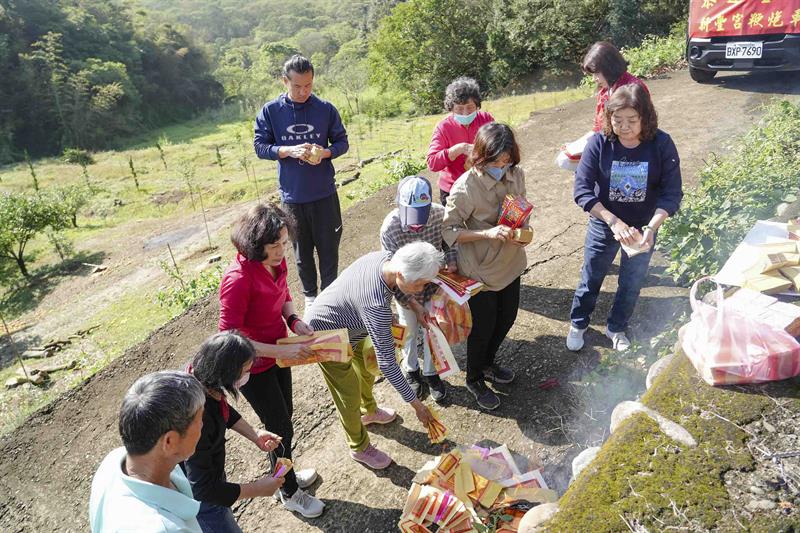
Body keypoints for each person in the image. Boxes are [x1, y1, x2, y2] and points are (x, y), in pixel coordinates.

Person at [218, 203, 324, 518]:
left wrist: (295, 321)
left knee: (284, 421)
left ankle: (285, 477)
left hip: (278, 353)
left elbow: (284, 297)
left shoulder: (276, 264)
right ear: (254, 246)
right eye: (273, 245)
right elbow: (230, 339)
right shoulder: (237, 279)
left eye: (283, 242)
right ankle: (288, 490)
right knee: (278, 427)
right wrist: (281, 351)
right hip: (251, 367)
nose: (282, 250)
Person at [567, 83, 682, 352]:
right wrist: (613, 221)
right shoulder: (599, 143)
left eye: (632, 120)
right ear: (608, 118)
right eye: (617, 120)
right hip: (605, 224)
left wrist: (652, 228)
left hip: (643, 228)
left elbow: (672, 193)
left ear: (646, 118)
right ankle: (579, 323)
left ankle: (616, 327)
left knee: (632, 282)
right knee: (592, 276)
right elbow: (582, 190)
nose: (624, 127)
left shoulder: (661, 144)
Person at [305, 242, 440, 469]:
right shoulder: (376, 306)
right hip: (324, 334)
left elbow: (397, 286)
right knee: (347, 395)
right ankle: (358, 446)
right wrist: (418, 406)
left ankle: (369, 411)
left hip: (354, 324)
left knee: (368, 368)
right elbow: (389, 365)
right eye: (420, 284)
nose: (421, 290)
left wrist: (415, 308)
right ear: (401, 274)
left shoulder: (386, 258)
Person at [442, 122, 530, 411]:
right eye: (495, 161)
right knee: (483, 326)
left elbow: (521, 207)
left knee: (507, 318)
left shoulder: (515, 175)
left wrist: (523, 230)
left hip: (510, 261)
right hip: (479, 268)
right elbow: (450, 231)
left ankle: (489, 363)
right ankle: (475, 377)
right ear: (481, 156)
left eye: (506, 160)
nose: (501, 167)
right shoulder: (465, 188)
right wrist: (486, 233)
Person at [254, 54, 349, 308]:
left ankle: (332, 299)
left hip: (324, 194)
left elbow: (342, 142)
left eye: (308, 85)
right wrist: (286, 150)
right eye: (297, 86)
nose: (303, 91)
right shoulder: (271, 111)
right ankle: (311, 299)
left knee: (329, 250)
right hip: (293, 198)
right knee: (301, 252)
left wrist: (325, 152)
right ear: (284, 81)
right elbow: (260, 147)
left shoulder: (325, 109)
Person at [185, 331, 299, 531]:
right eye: (245, 370)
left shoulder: (201, 379)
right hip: (197, 497)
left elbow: (223, 410)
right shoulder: (198, 420)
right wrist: (257, 488)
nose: (248, 375)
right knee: (218, 519)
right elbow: (203, 488)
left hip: (208, 479)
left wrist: (255, 434)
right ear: (225, 373)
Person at [89, 371, 206, 532]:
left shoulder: (113, 461)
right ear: (169, 441)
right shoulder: (162, 528)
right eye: (199, 419)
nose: (202, 425)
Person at [379, 175, 457, 402]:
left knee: (434, 329)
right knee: (409, 328)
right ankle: (411, 368)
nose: (416, 225)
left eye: (420, 215)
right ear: (399, 204)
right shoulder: (390, 228)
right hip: (405, 291)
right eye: (412, 216)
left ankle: (432, 373)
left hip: (433, 286)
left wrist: (451, 262)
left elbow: (450, 243)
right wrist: (412, 303)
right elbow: (392, 274)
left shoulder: (439, 214)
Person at [556, 42, 649, 171]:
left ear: (608, 68)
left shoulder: (633, 89)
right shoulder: (605, 90)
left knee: (567, 160)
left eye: (596, 73)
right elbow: (598, 127)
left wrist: (589, 147)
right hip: (607, 140)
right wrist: (576, 145)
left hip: (627, 144)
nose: (594, 79)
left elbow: (641, 128)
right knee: (564, 157)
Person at [427, 77, 495, 206]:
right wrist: (458, 150)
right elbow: (432, 163)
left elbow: (498, 147)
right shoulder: (443, 127)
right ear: (451, 108)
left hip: (483, 184)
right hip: (453, 189)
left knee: (483, 223)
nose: (465, 114)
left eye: (470, 108)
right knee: (455, 225)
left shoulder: (486, 119)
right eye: (459, 109)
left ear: (477, 105)